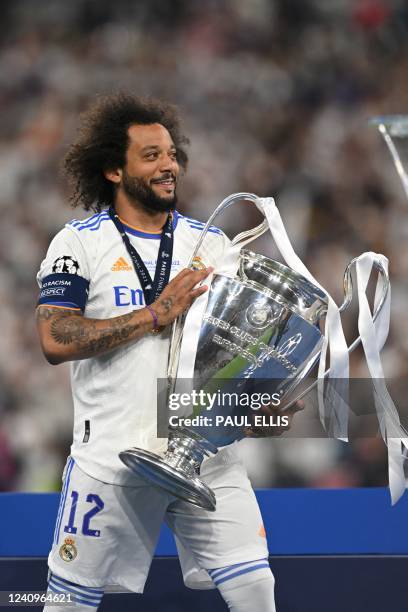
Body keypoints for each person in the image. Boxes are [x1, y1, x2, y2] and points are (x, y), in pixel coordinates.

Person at [36, 93, 299, 611]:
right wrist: (155, 313)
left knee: (255, 589)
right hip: (110, 454)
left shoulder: (215, 245)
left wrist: (253, 408)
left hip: (203, 456)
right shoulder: (78, 244)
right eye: (151, 155)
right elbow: (55, 339)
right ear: (114, 168)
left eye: (172, 153)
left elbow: (229, 358)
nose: (169, 165)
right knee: (67, 604)